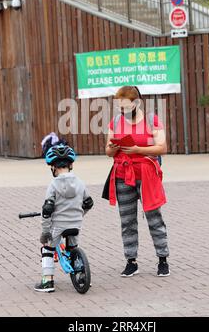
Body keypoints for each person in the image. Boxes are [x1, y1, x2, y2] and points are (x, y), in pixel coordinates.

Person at [104, 86, 170, 277]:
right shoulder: (116, 122)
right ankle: (131, 261)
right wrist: (114, 147)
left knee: (154, 218)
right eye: (120, 108)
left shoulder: (151, 120)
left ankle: (162, 259)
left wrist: (138, 150)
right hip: (123, 174)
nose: (122, 112)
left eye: (125, 107)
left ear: (137, 103)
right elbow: (108, 152)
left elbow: (162, 147)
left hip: (146, 174)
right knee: (127, 220)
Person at [34, 143, 94, 292]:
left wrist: (45, 230)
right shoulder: (80, 182)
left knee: (47, 248)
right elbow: (88, 203)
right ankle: (81, 275)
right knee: (73, 247)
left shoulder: (53, 185)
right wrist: (79, 215)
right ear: (71, 165)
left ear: (53, 167)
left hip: (58, 226)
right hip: (76, 223)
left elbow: (47, 210)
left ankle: (47, 281)